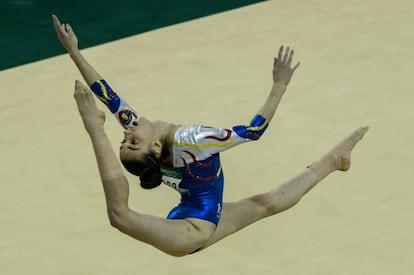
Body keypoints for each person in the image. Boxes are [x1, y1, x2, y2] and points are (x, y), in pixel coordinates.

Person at [53, 15, 368, 257]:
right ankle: (91, 128)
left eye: (125, 138)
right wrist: (279, 86)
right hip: (190, 230)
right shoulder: (193, 142)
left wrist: (74, 52)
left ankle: (335, 160)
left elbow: (107, 95)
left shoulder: (143, 133)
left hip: (198, 213)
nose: (127, 130)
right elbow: (254, 131)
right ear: (156, 146)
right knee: (120, 217)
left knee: (268, 203)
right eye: (131, 140)